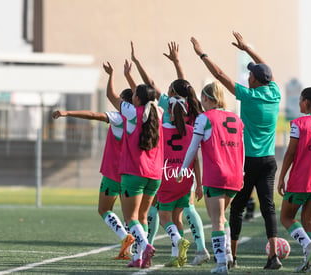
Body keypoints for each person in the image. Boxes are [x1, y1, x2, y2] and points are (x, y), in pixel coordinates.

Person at [190, 32, 282, 269]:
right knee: (268, 207)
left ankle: (232, 256)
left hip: (248, 160)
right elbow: (267, 71)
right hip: (269, 160)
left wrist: (202, 54)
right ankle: (273, 255)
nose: (248, 75)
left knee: (237, 209)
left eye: (251, 74)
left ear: (255, 80)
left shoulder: (249, 96)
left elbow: (220, 75)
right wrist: (247, 48)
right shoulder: (275, 93)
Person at [131, 41, 210, 265]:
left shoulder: (165, 109)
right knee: (184, 211)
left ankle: (172, 244)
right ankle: (189, 252)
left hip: (166, 172)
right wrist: (177, 62)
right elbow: (185, 87)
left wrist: (137, 62)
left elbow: (152, 84)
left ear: (171, 93)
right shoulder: (195, 114)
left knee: (165, 215)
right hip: (187, 173)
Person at [51, 90, 135, 261]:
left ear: (125, 102)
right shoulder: (140, 121)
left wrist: (67, 113)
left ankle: (125, 238)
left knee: (104, 209)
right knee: (131, 216)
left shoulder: (119, 118)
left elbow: (92, 114)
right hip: (133, 172)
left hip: (114, 172)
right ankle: (136, 249)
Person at [177, 81, 244, 274]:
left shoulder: (204, 118)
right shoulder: (236, 118)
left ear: (206, 98)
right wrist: (243, 171)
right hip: (235, 174)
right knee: (222, 217)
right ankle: (229, 255)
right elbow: (243, 148)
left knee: (216, 220)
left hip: (216, 174)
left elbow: (193, 148)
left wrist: (183, 169)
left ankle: (222, 263)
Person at [103, 61, 163, 269]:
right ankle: (139, 258)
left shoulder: (131, 112)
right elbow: (146, 96)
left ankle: (145, 246)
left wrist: (111, 75)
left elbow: (112, 96)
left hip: (134, 172)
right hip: (155, 175)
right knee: (143, 217)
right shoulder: (159, 112)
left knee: (130, 218)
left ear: (136, 99)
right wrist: (129, 75)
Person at [277, 87, 311, 272]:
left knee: (286, 217)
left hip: (301, 179)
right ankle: (309, 264)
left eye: (300, 100)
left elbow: (290, 153)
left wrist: (281, 177)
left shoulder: (298, 123)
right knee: (308, 220)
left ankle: (307, 245)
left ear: (306, 102)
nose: (298, 103)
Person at [158, 96, 195, 267]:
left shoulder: (160, 130)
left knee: (164, 218)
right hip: (186, 177)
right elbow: (196, 158)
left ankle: (178, 240)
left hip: (167, 177)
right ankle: (177, 256)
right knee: (177, 217)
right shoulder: (191, 129)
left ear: (169, 112)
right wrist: (199, 184)